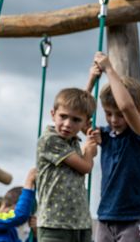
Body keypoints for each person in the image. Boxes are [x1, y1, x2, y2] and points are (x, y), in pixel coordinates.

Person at [87, 52, 140, 242]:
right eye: (108, 114)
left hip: (135, 217)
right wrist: (91, 81)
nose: (113, 120)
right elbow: (81, 116)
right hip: (106, 216)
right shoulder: (107, 136)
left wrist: (109, 68)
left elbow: (127, 107)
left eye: (119, 115)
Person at [36, 87, 99, 242]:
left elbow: (87, 157)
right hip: (55, 224)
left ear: (86, 123)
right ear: (53, 114)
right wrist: (89, 150)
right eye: (63, 117)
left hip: (80, 223)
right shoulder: (50, 140)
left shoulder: (73, 141)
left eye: (76, 120)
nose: (67, 124)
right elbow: (85, 166)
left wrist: (90, 145)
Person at [0, 167, 36, 242]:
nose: (25, 222)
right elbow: (20, 215)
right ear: (7, 206)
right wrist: (29, 182)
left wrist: (35, 234)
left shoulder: (12, 232)